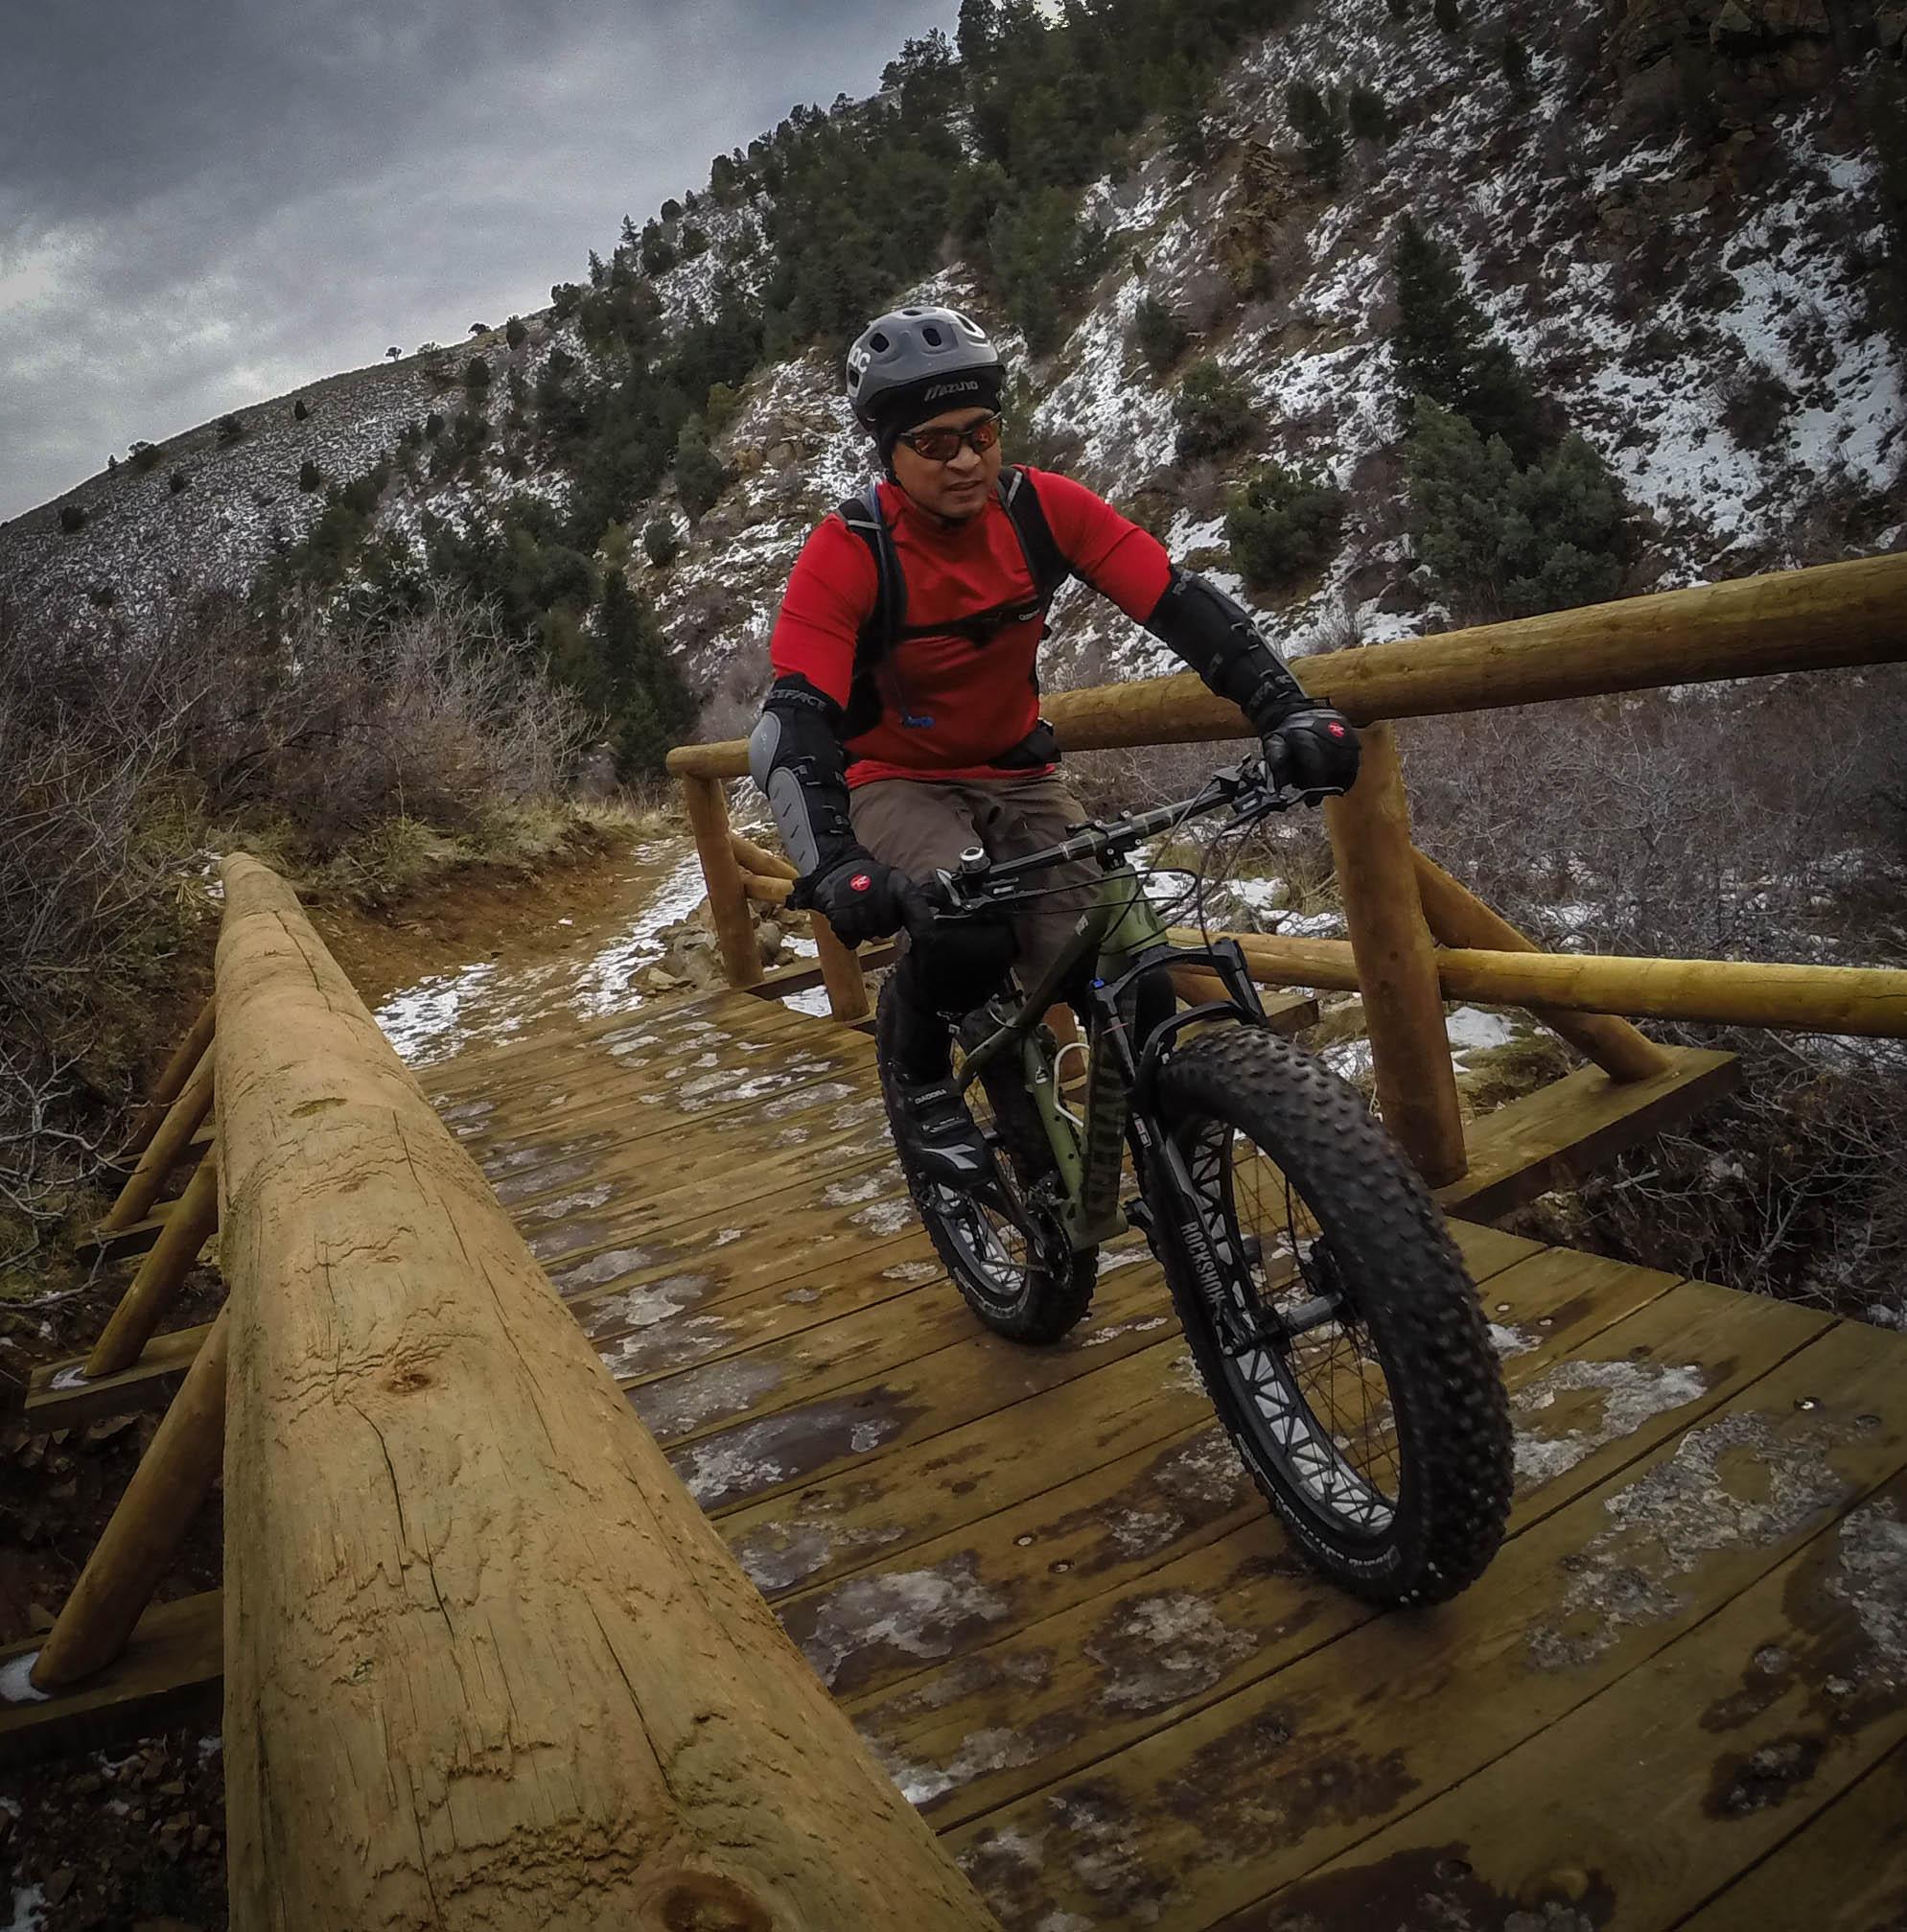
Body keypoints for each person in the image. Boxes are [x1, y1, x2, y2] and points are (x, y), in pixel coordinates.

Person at [749, 304, 1360, 1184]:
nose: (965, 458)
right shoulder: (849, 552)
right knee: (961, 936)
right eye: (934, 443)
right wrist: (835, 863)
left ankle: (1182, 1164)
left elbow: (1176, 602)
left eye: (981, 432)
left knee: (1131, 974)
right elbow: (791, 723)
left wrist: (1285, 707)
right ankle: (919, 1076)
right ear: (888, 452)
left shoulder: (1042, 509)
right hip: (894, 776)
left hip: (1016, 768)